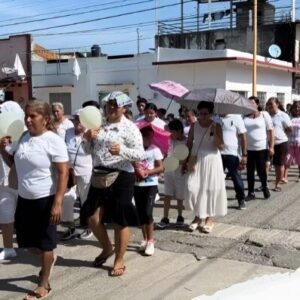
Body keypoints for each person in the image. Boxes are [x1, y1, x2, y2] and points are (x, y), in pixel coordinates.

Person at [0, 100, 69, 300]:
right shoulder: (23, 137)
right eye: (26, 115)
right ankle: (49, 259)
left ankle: (44, 283)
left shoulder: (53, 140)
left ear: (46, 119)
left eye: (33, 116)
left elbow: (63, 173)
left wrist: (57, 203)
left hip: (45, 200)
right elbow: (14, 163)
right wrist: (3, 150)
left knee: (46, 244)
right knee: (28, 243)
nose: (28, 120)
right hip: (25, 199)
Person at [81, 91, 144, 277]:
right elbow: (86, 151)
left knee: (119, 220)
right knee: (92, 217)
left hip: (122, 176)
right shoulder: (100, 126)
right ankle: (107, 248)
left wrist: (122, 150)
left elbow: (140, 154)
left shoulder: (131, 128)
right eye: (109, 105)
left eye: (116, 105)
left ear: (124, 107)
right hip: (99, 175)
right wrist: (87, 139)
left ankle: (119, 258)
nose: (111, 108)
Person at [183, 101, 227, 233]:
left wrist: (216, 132)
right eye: (200, 113)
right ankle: (197, 216)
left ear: (211, 114)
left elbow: (221, 146)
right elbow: (189, 143)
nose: (203, 116)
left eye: (206, 114)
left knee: (209, 189)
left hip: (212, 159)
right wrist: (184, 160)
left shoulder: (217, 125)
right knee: (193, 188)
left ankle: (209, 218)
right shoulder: (194, 126)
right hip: (196, 159)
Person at [61, 109, 93, 240]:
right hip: (70, 171)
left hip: (86, 171)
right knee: (68, 198)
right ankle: (70, 228)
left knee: (86, 200)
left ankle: (89, 227)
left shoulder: (89, 133)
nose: (77, 122)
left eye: (80, 119)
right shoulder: (68, 132)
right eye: (75, 119)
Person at [134, 126, 163, 256]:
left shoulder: (155, 150)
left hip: (150, 185)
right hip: (136, 184)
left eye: (150, 137)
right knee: (140, 213)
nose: (148, 139)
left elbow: (161, 167)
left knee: (147, 212)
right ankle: (145, 238)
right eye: (146, 136)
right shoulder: (135, 150)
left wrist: (148, 172)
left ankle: (151, 240)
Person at [157, 119, 187, 229]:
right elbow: (165, 154)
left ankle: (180, 216)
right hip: (169, 171)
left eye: (173, 131)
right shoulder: (169, 140)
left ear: (179, 130)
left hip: (180, 172)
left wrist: (178, 162)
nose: (171, 134)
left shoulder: (186, 142)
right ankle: (165, 217)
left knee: (180, 196)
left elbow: (185, 158)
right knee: (167, 194)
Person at [244, 98, 274, 200]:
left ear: (257, 104)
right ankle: (251, 192)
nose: (251, 105)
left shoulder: (264, 114)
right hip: (248, 148)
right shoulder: (244, 116)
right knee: (250, 171)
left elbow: (271, 131)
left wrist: (272, 146)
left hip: (261, 147)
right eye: (249, 103)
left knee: (261, 170)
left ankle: (264, 187)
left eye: (253, 103)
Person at [220, 114, 247, 210]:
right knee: (217, 179)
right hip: (218, 153)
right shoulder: (215, 118)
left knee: (235, 177)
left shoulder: (237, 117)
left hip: (232, 153)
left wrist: (244, 154)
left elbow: (243, 136)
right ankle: (218, 201)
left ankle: (241, 199)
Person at [266, 97, 292, 191]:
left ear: (277, 104)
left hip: (281, 143)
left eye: (271, 105)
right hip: (267, 143)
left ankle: (278, 184)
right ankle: (264, 184)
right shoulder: (266, 115)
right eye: (268, 105)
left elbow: (290, 129)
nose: (269, 107)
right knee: (266, 164)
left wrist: (280, 132)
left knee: (279, 165)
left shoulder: (283, 115)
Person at [0, 154, 18, 260]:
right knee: (5, 215)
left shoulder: (25, 137)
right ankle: (8, 249)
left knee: (31, 216)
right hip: (3, 183)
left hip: (26, 182)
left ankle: (43, 247)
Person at [284, 101, 300, 182]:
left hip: (299, 143)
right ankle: (285, 177)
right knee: (287, 159)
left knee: (299, 160)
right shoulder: (289, 117)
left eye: (298, 107)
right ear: (292, 109)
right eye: (295, 107)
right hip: (290, 142)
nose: (297, 108)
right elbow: (285, 128)